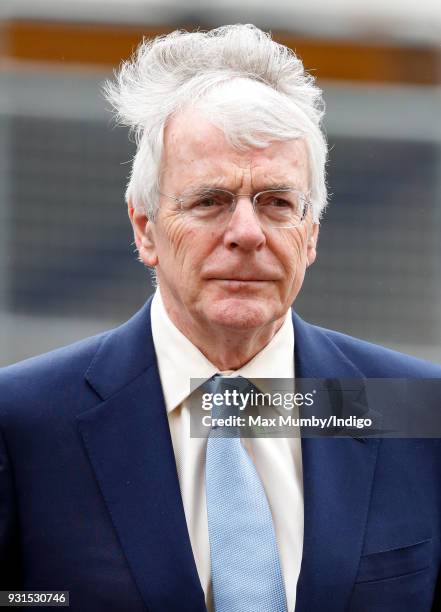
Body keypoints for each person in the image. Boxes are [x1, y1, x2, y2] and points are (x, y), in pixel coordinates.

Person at [0, 24, 440, 612]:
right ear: (144, 228)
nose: (247, 234)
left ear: (310, 234)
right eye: (209, 201)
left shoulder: (406, 409)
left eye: (278, 202)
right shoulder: (25, 422)